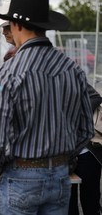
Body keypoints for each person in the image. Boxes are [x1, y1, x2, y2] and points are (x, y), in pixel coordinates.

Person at [0, 0, 94, 215]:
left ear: (17, 25)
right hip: (59, 176)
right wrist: (63, 160)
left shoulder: (8, 72)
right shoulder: (73, 70)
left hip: (19, 175)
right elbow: (85, 130)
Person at [68, 85, 102, 215]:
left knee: (90, 202)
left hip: (86, 151)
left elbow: (95, 98)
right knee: (68, 202)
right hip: (64, 154)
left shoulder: (72, 75)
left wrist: (74, 115)